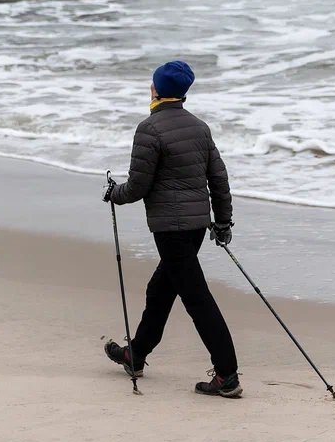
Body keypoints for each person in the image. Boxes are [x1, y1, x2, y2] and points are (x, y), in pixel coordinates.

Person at [102, 60, 241, 398]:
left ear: (156, 89)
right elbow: (219, 180)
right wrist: (223, 222)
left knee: (197, 299)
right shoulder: (199, 127)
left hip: (170, 230)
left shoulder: (149, 129)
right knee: (160, 290)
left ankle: (227, 375)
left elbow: (137, 187)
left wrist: (112, 193)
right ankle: (135, 355)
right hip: (195, 226)